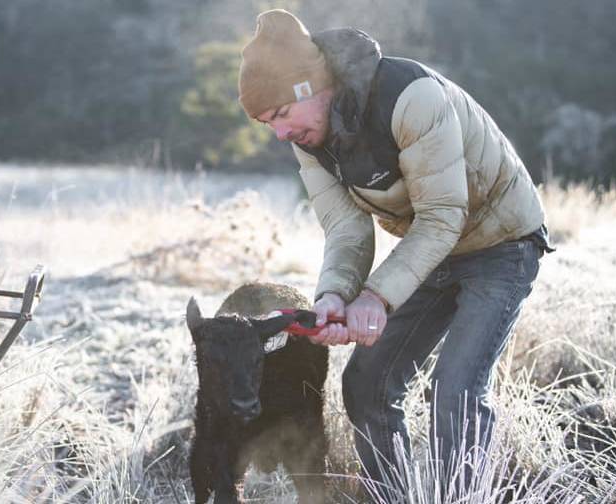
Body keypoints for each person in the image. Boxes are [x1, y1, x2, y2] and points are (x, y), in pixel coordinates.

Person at [237, 9, 553, 493]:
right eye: (266, 124)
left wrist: (377, 298)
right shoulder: (309, 139)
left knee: (455, 392)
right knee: (366, 385)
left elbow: (442, 216)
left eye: (280, 114)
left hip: (502, 243)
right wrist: (335, 296)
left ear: (310, 86)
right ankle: (396, 496)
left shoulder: (411, 98)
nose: (280, 134)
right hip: (432, 252)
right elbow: (346, 227)